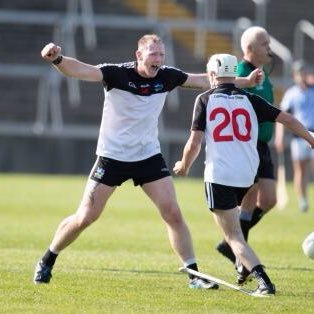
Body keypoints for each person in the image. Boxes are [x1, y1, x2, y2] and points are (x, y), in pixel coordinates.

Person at [33, 34, 260, 288]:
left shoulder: (166, 76)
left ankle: (195, 276)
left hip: (148, 157)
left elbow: (204, 79)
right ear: (139, 55)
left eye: (162, 54)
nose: (159, 59)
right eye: (154, 54)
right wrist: (58, 59)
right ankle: (47, 259)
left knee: (173, 213)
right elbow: (80, 70)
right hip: (112, 158)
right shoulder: (116, 74)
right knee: (86, 217)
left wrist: (246, 82)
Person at [173, 53, 314, 296]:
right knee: (239, 225)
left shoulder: (205, 100)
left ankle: (264, 282)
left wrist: (184, 166)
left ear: (213, 75)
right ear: (234, 75)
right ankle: (245, 266)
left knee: (234, 237)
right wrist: (310, 138)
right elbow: (287, 119)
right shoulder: (251, 99)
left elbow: (194, 144)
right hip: (248, 175)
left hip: (220, 176)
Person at [215, 27, 277, 278]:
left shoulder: (263, 74)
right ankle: (240, 255)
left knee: (269, 199)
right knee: (248, 198)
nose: (269, 48)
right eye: (264, 44)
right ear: (250, 48)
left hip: (263, 145)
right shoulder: (242, 74)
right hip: (248, 146)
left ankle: (233, 247)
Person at [275, 60, 314, 212]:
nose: (302, 76)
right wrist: (279, 137)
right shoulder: (291, 94)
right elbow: (283, 117)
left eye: (303, 72)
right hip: (299, 136)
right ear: (294, 76)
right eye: (299, 73)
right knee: (300, 170)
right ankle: (303, 200)